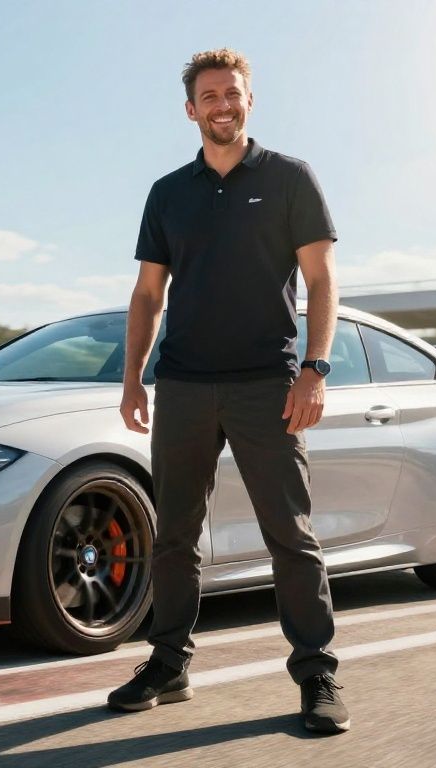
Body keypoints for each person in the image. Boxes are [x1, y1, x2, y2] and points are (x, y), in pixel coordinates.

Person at [109, 48, 349, 734]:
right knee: (174, 536)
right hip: (183, 383)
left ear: (250, 101)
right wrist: (133, 376)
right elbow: (148, 293)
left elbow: (323, 280)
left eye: (232, 94)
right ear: (191, 110)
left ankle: (318, 675)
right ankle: (168, 664)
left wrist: (315, 368)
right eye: (209, 96)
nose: (222, 104)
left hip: (267, 385)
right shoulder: (168, 193)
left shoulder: (290, 178)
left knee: (290, 536)